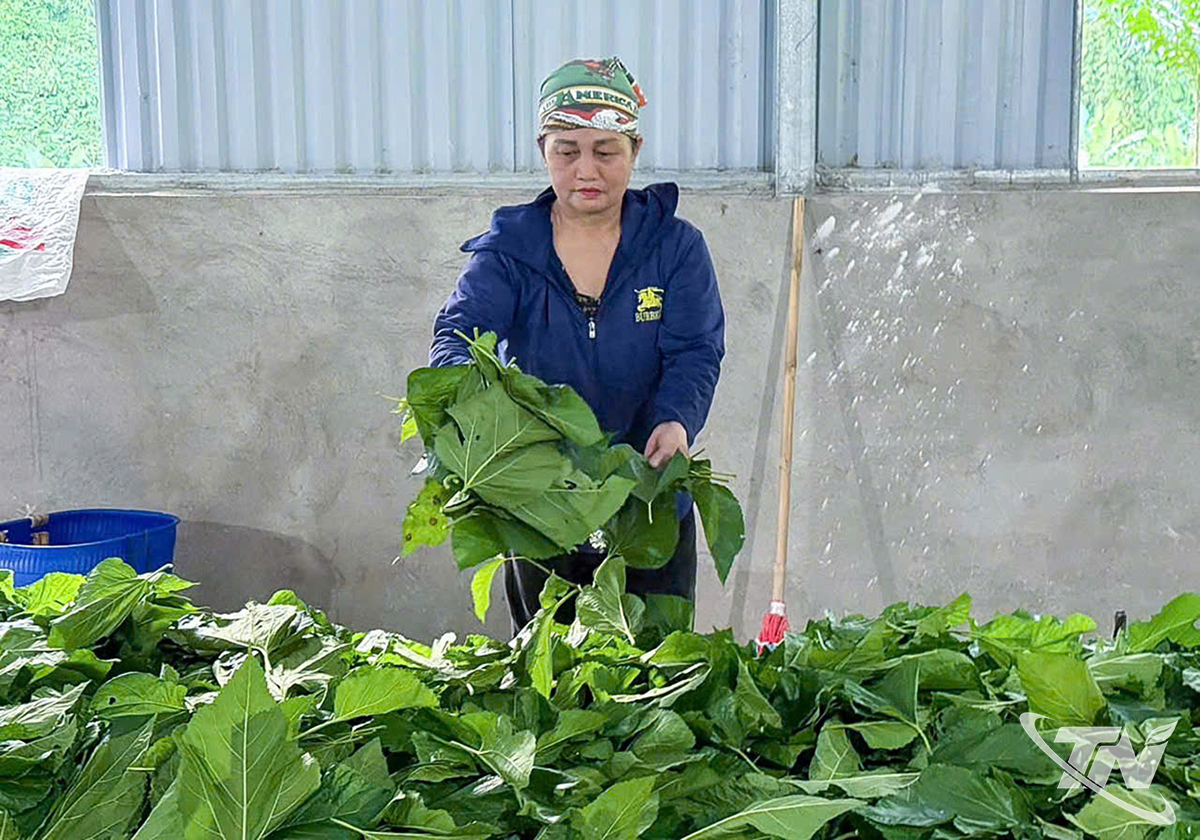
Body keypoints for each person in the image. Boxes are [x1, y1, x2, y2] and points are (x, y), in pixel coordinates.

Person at [429, 56, 725, 633]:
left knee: (655, 668)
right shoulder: (509, 253)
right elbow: (458, 333)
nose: (586, 170)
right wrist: (470, 415)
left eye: (605, 151)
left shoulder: (675, 248)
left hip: (646, 498)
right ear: (543, 150)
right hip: (541, 501)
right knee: (547, 666)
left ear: (635, 150)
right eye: (567, 151)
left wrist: (676, 420)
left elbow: (695, 350)